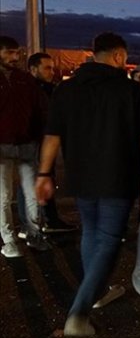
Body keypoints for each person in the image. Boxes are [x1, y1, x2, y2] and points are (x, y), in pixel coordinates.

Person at [35, 32, 140, 336]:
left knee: (91, 232)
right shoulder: (131, 91)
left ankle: (97, 291)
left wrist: (44, 174)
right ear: (118, 56)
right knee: (108, 240)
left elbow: (52, 135)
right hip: (117, 177)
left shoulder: (66, 89)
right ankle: (79, 313)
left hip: (80, 177)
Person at [0, 36, 49, 258]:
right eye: (9, 52)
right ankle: (9, 240)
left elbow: (38, 109)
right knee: (3, 196)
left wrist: (38, 136)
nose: (14, 57)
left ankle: (34, 234)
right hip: (2, 146)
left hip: (26, 144)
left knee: (32, 193)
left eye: (16, 52)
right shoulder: (20, 79)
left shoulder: (24, 79)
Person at [27, 53, 77, 233]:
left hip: (44, 140)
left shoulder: (49, 89)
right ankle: (39, 222)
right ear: (34, 69)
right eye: (47, 68)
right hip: (34, 142)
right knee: (35, 181)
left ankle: (48, 219)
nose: (51, 72)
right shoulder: (31, 90)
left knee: (46, 178)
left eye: (52, 68)